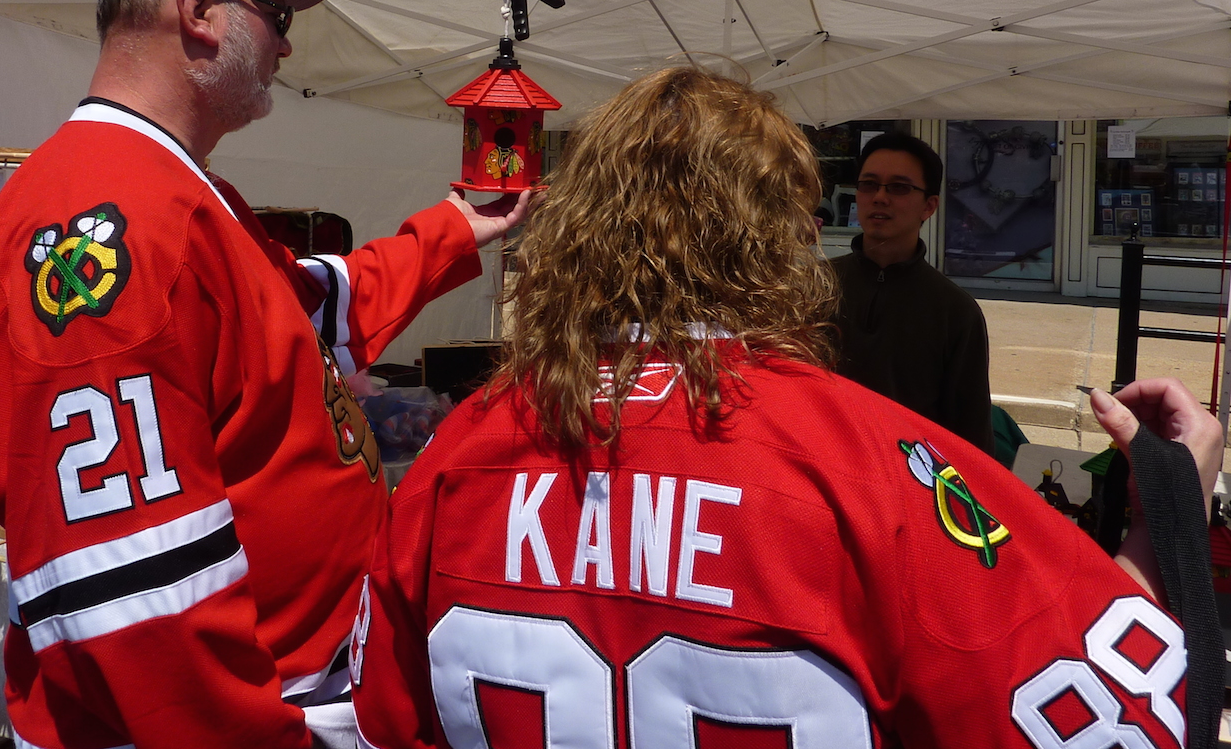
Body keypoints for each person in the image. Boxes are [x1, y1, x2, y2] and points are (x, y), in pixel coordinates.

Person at [350, 68, 1220, 749]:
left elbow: (384, 717)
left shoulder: (464, 448)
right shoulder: (872, 465)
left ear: (582, 222)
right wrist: (1167, 513)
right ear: (782, 232)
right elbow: (1108, 712)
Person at [0, 0, 529, 749]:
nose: (286, 46)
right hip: (236, 715)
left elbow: (306, 311)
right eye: (276, 16)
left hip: (291, 684)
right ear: (197, 10)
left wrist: (454, 229)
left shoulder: (170, 188)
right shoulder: (116, 216)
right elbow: (136, 596)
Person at [832, 131, 994, 454]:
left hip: (908, 474)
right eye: (869, 185)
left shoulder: (955, 312)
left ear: (929, 206)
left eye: (899, 188)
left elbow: (971, 440)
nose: (880, 197)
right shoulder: (812, 286)